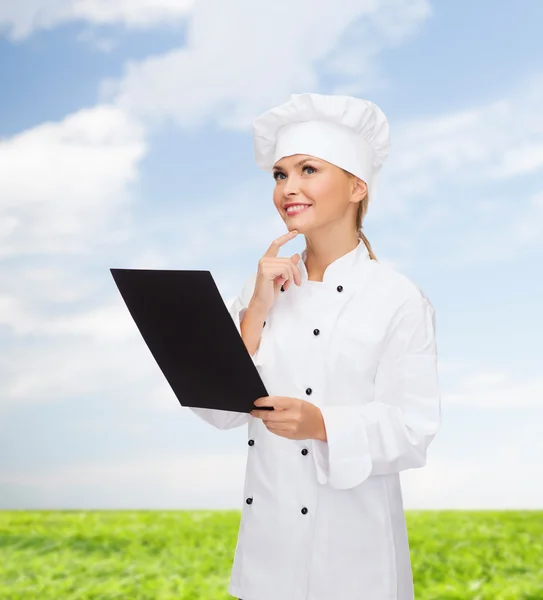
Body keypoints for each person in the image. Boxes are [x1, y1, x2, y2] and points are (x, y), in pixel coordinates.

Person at [189, 92, 441, 600]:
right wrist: (256, 309)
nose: (289, 188)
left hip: (354, 554)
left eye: (308, 170)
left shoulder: (396, 298)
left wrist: (320, 423)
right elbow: (220, 411)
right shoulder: (260, 285)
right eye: (280, 175)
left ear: (356, 186)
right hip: (267, 554)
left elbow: (413, 431)